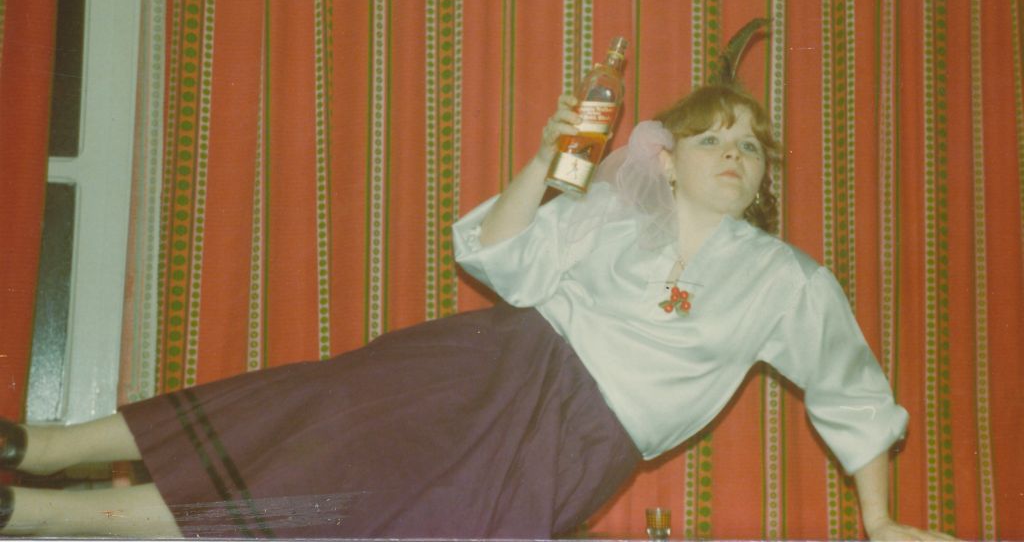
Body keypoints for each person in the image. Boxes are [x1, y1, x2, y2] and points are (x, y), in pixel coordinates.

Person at [0, 84, 953, 540]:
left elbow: (852, 395)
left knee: (326, 514)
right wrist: (542, 160)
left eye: (751, 147)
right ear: (667, 159)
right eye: (715, 140)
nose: (735, 157)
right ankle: (39, 448)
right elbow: (496, 256)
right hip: (489, 364)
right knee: (297, 418)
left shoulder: (790, 283)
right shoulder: (613, 219)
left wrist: (880, 522)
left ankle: (38, 517)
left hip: (573, 446)